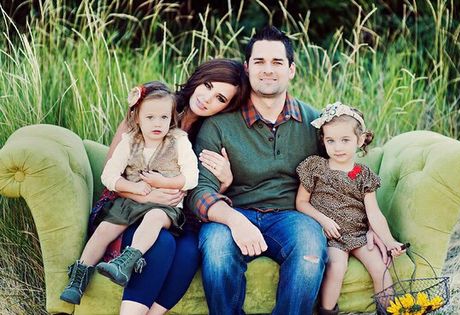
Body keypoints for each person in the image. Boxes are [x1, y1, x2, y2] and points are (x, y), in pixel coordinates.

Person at [85, 59, 249, 315]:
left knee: (189, 251)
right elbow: (111, 173)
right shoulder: (155, 104)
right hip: (127, 210)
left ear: (226, 107)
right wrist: (146, 194)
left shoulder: (210, 133)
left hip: (177, 218)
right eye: (206, 85)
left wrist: (225, 181)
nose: (206, 99)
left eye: (220, 98)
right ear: (198, 79)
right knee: (161, 244)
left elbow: (198, 191)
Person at [186, 26, 327, 315]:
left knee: (311, 245)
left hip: (291, 217)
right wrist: (236, 221)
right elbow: (199, 192)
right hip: (233, 213)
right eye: (260, 62)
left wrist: (365, 227)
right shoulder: (219, 124)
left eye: (277, 62)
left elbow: (337, 177)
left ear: (291, 70)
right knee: (217, 250)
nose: (268, 70)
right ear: (247, 67)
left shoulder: (314, 123)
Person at [60, 81, 199, 304]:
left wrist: (165, 182)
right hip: (131, 200)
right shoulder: (130, 141)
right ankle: (79, 277)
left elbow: (192, 178)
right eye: (150, 117)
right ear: (136, 118)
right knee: (105, 229)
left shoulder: (179, 141)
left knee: (153, 218)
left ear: (172, 119)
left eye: (164, 118)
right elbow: (109, 176)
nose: (157, 123)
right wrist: (133, 187)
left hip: (166, 205)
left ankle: (126, 261)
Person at [295, 102, 405, 315]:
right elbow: (301, 203)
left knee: (380, 269)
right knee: (336, 267)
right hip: (331, 235)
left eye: (345, 140)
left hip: (359, 234)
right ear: (323, 141)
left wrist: (390, 241)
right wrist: (323, 220)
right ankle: (327, 311)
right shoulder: (316, 167)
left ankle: (389, 311)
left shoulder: (364, 175)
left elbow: (373, 213)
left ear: (360, 140)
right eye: (331, 141)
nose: (338, 147)